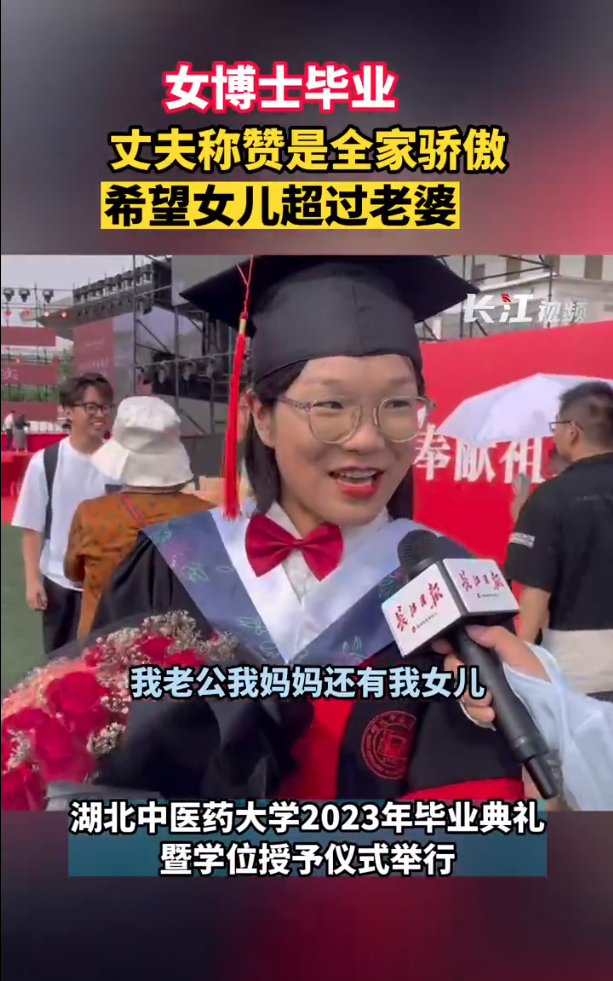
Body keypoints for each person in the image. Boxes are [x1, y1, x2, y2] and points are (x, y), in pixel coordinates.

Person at [64, 397, 214, 638]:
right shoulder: (207, 515)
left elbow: (74, 575)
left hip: (102, 641)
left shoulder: (90, 514)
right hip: (181, 644)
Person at [505, 381, 613, 698]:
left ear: (572, 431)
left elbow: (535, 592)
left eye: (557, 426)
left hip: (584, 674)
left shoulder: (552, 497)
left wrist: (520, 665)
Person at [11, 373, 116, 655]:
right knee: (59, 665)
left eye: (105, 407)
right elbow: (31, 527)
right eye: (91, 407)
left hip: (108, 585)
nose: (100, 415)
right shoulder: (45, 461)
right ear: (69, 411)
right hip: (59, 584)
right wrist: (33, 580)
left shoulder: (121, 462)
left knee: (105, 667)